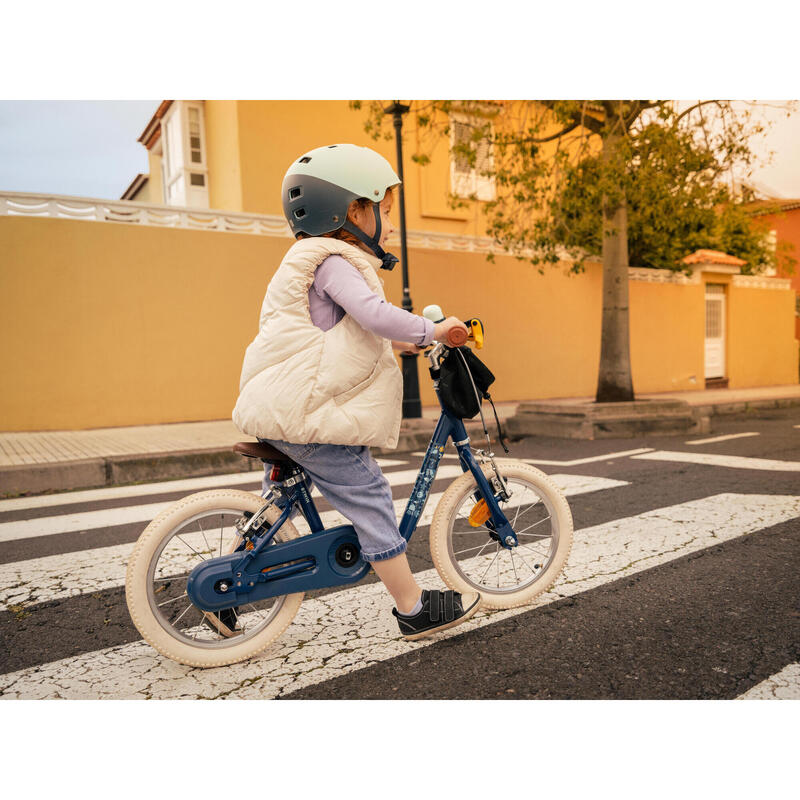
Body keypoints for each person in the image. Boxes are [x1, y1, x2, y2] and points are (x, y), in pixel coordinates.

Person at [232, 143, 481, 639]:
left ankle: (233, 588)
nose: (388, 225)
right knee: (368, 491)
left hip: (283, 411)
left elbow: (344, 333)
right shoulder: (333, 260)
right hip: (309, 414)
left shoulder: (308, 260)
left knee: (277, 506)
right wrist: (433, 331)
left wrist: (405, 346)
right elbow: (371, 315)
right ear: (352, 210)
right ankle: (413, 609)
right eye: (383, 211)